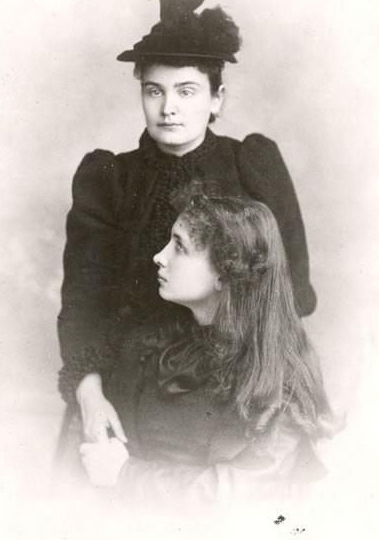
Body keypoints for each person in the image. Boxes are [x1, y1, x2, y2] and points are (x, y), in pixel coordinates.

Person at [57, 0, 317, 447]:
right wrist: (90, 395)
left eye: (186, 91)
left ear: (217, 99)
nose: (168, 108)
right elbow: (83, 297)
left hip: (236, 384)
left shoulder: (251, 165)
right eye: (154, 91)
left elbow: (289, 293)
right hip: (128, 385)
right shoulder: (110, 178)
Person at [78, 185, 332, 508]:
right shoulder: (159, 342)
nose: (159, 256)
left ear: (224, 276)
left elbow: (228, 499)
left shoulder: (281, 379)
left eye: (179, 247)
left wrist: (125, 474)